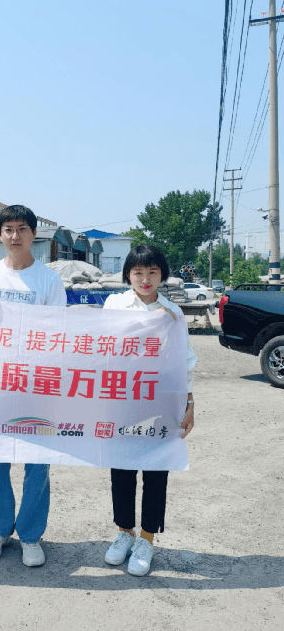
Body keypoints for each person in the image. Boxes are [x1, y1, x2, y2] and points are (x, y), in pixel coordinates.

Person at [0, 205, 66, 567]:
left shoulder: (49, 280)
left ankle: (30, 534)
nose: (14, 235)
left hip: (37, 384)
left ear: (33, 234)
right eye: (8, 229)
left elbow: (59, 332)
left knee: (37, 463)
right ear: (0, 235)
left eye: (22, 229)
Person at [102, 244, 196, 577]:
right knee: (122, 468)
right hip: (123, 401)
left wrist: (189, 402)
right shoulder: (115, 305)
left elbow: (185, 361)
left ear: (162, 275)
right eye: (138, 272)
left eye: (152, 272)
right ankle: (124, 532)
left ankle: (146, 539)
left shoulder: (173, 312)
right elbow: (100, 347)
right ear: (128, 274)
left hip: (161, 401)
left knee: (156, 471)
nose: (145, 279)